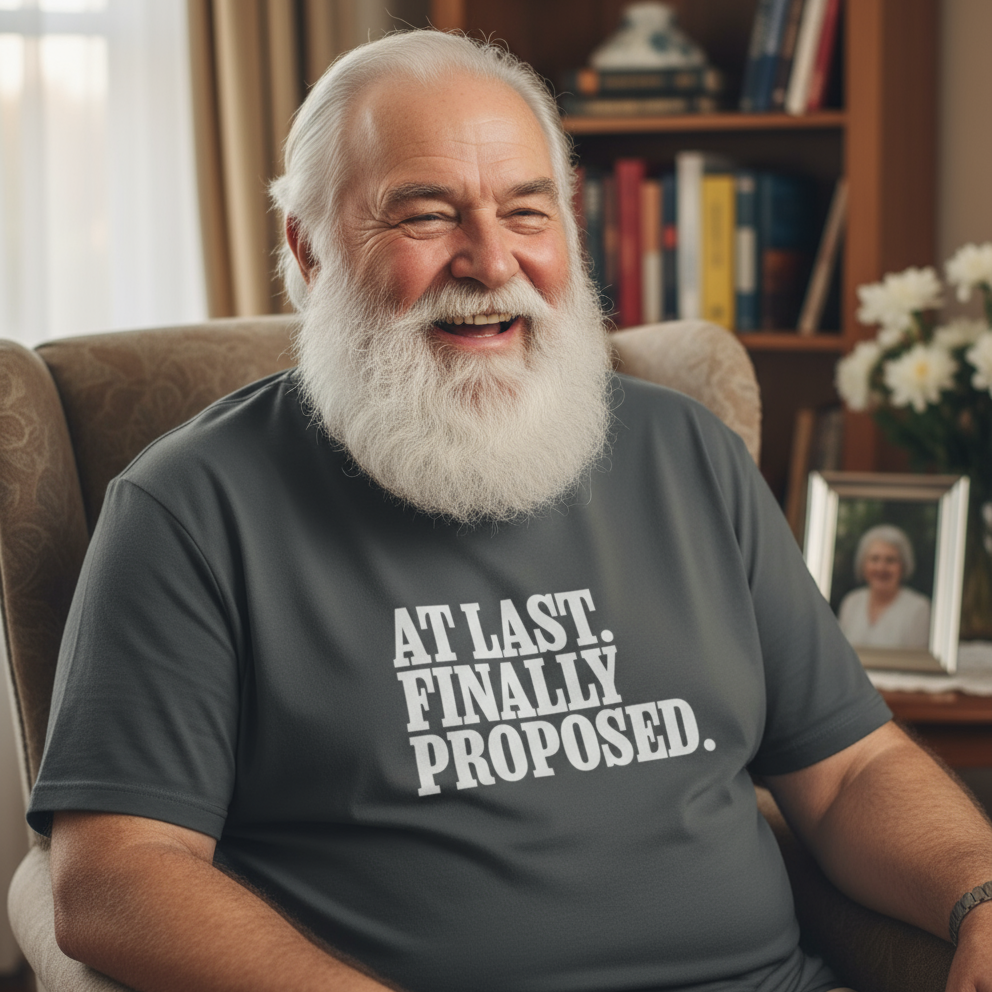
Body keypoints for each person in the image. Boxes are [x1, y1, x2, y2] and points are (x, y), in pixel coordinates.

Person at [26, 29, 992, 992]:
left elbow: (853, 771)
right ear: (309, 249)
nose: (491, 263)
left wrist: (979, 893)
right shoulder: (190, 508)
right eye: (427, 216)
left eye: (527, 213)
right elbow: (115, 874)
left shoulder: (686, 452)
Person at [838, 524, 932, 651]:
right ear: (863, 564)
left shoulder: (919, 608)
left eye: (890, 560)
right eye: (874, 559)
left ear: (903, 566)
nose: (881, 568)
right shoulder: (851, 602)